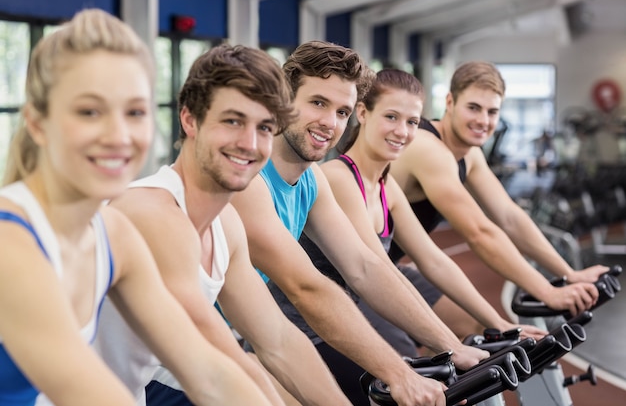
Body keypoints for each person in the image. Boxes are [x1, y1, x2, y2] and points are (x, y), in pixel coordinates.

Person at [0, 8, 272, 406]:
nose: (118, 135)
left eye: (135, 112)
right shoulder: (12, 245)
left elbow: (208, 374)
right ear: (38, 123)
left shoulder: (113, 233)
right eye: (89, 111)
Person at [231, 40, 488, 406]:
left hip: (258, 342)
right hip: (199, 357)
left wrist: (451, 346)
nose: (329, 122)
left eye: (341, 111)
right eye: (318, 103)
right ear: (283, 100)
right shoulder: (251, 180)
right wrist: (399, 375)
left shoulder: (312, 181)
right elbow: (307, 288)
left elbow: (365, 268)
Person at [93, 44, 352, 406]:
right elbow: (213, 366)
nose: (249, 143)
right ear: (190, 119)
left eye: (264, 127)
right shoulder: (153, 213)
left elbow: (276, 338)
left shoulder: (225, 223)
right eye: (233, 121)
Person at [303, 68, 546, 358]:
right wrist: (450, 345)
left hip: (355, 300)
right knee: (411, 362)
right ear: (363, 113)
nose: (402, 132)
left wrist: (500, 324)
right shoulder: (340, 178)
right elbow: (376, 272)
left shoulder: (386, 186)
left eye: (412, 122)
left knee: (476, 331)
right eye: (391, 117)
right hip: (312, 330)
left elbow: (433, 260)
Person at [389, 61, 609, 318]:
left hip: (386, 265)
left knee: (477, 330)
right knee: (417, 347)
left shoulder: (469, 154)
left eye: (492, 112)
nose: (483, 120)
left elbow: (509, 216)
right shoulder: (428, 148)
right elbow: (479, 232)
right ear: (450, 102)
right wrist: (547, 292)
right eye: (473, 108)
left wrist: (569, 274)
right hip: (348, 271)